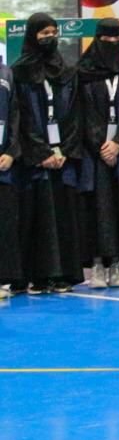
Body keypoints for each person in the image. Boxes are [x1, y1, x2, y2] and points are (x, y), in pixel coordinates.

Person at [69, 19, 119, 289]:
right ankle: (97, 262)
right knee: (97, 208)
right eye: (106, 40)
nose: (112, 45)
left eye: (117, 40)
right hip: (94, 154)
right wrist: (102, 144)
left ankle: (117, 262)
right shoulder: (82, 75)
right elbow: (80, 114)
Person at [13, 14, 79, 294]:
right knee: (37, 217)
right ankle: (36, 276)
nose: (49, 37)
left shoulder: (66, 71)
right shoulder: (18, 73)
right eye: (43, 33)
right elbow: (20, 117)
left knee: (63, 216)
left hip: (62, 158)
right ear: (32, 35)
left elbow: (74, 114)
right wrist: (41, 152)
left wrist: (64, 150)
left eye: (53, 32)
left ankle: (61, 275)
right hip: (34, 161)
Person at [0, 56, 20, 298]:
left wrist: (12, 153)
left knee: (4, 224)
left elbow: (15, 116)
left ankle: (3, 278)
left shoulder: (7, 74)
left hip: (4, 165)